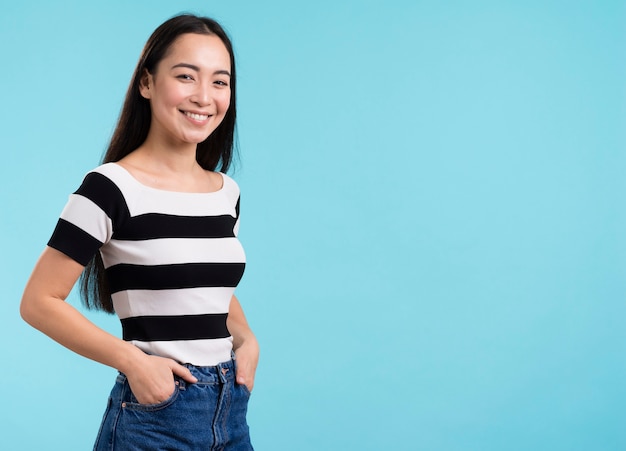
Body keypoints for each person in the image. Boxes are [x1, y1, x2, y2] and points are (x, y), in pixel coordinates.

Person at [20, 14, 258, 450]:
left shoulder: (227, 192)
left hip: (231, 410)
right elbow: (37, 302)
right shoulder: (109, 188)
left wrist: (246, 339)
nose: (204, 97)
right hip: (156, 415)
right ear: (146, 83)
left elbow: (205, 286)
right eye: (186, 76)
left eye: (220, 82)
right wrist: (133, 362)